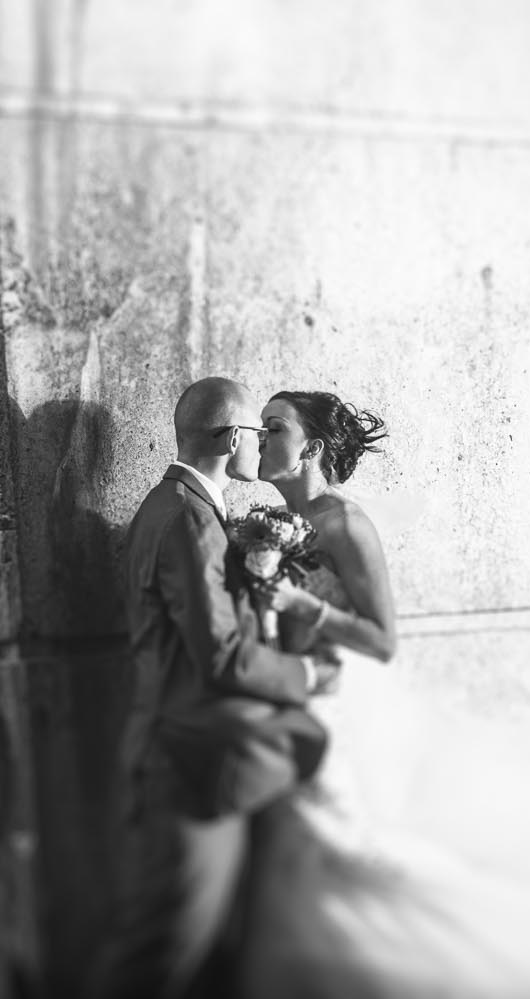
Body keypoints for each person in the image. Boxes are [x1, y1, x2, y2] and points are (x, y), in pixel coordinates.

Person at [239, 389, 530, 998]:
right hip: (295, 697)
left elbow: (382, 639)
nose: (260, 438)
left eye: (272, 428)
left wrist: (302, 605)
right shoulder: (277, 526)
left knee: (343, 851)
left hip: (335, 706)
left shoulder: (345, 523)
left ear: (311, 448)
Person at [88, 376, 343, 999]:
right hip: (187, 763)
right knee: (162, 951)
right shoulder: (189, 521)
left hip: (191, 750)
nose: (261, 443)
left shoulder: (179, 508)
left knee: (197, 951)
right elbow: (223, 656)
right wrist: (310, 675)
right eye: (257, 432)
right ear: (232, 439)